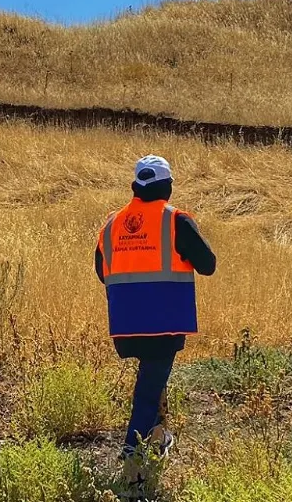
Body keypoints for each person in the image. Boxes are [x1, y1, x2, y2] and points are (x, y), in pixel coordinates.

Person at [95, 155, 216, 498]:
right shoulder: (175, 219)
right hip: (163, 320)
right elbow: (208, 265)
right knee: (147, 390)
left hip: (124, 322)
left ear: (136, 186)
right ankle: (133, 463)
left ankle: (160, 435)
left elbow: (102, 270)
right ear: (168, 186)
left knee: (153, 379)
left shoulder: (111, 222)